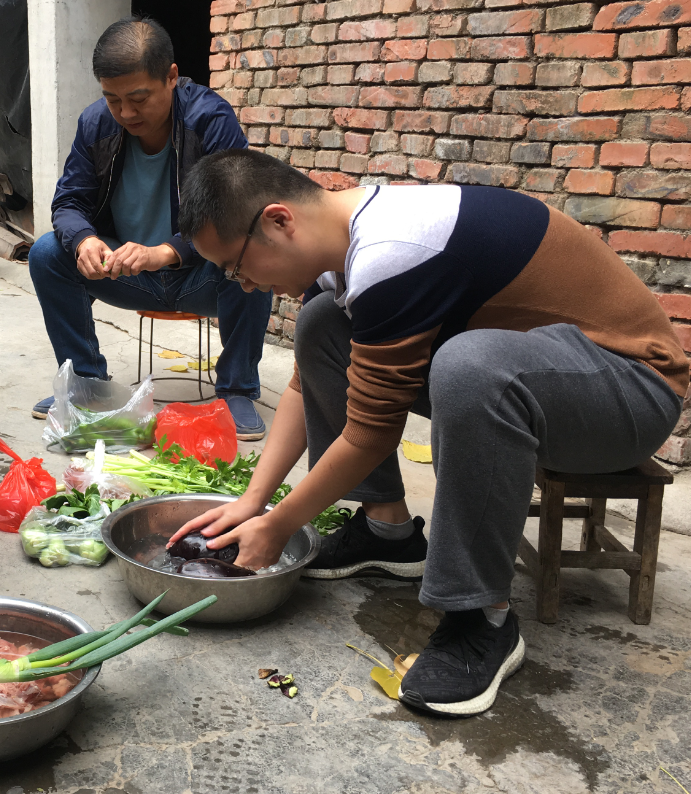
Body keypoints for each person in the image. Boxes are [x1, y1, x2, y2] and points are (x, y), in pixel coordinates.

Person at [170, 149, 687, 717]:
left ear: (278, 221)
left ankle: (481, 618)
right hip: (542, 372)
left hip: (629, 390)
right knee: (322, 326)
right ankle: (387, 532)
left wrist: (279, 525)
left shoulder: (395, 252)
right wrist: (253, 501)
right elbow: (302, 385)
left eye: (237, 266)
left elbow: (370, 433)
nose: (244, 286)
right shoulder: (343, 249)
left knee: (470, 368)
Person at [28, 17, 273, 439]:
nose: (126, 113)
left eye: (138, 98)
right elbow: (69, 201)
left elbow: (236, 210)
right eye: (112, 99)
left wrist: (166, 252)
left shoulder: (210, 120)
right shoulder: (95, 125)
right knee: (48, 253)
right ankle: (86, 383)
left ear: (171, 77)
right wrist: (85, 240)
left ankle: (236, 388)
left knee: (257, 247)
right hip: (127, 273)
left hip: (202, 276)